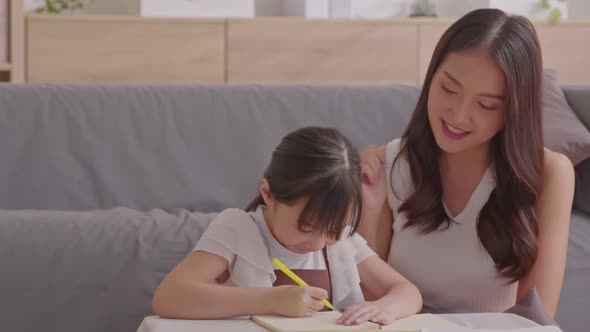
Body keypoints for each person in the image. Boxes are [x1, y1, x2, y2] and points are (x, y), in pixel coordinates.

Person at [359, 8, 575, 318]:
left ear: (514, 109)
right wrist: (370, 208)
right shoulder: (390, 164)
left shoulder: (550, 174)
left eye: (486, 105)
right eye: (449, 89)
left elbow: (535, 318)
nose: (458, 116)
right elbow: (370, 303)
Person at [152, 126, 422, 326]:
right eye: (305, 228)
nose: (317, 243)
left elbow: (407, 292)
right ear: (268, 193)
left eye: (332, 230)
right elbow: (170, 297)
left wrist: (385, 308)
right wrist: (271, 300)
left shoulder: (342, 241)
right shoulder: (237, 229)